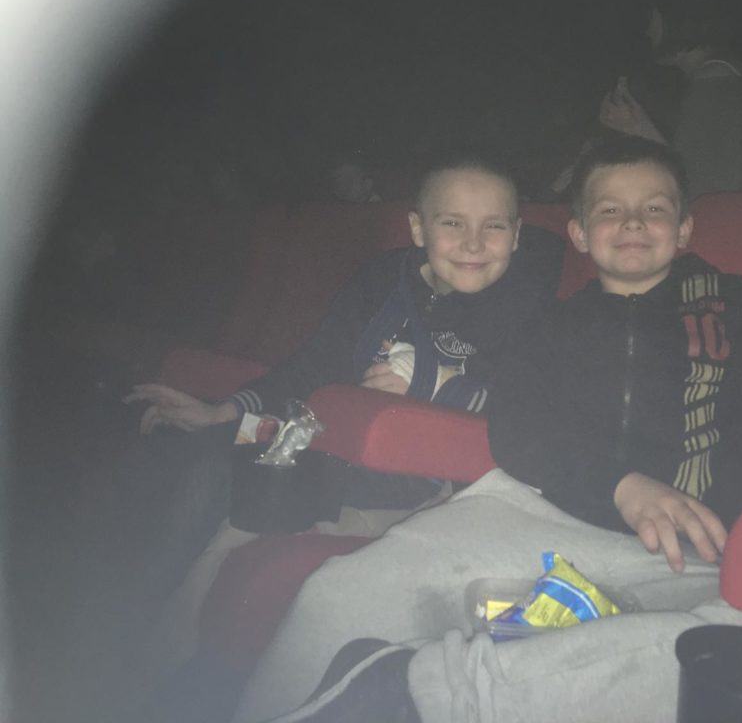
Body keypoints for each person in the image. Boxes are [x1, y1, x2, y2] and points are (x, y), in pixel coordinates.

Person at [228, 136, 742, 723]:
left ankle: (411, 689)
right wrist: (620, 485)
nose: (633, 222)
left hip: (694, 549)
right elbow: (518, 424)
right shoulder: (557, 324)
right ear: (580, 234)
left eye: (654, 208)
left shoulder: (732, 306)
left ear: (685, 228)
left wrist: (741, 534)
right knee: (338, 595)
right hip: (545, 517)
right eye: (610, 209)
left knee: (723, 652)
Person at [108, 154, 565, 637]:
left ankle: (146, 637)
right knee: (177, 453)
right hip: (323, 447)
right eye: (452, 223)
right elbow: (315, 363)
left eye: (493, 226)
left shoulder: (528, 306)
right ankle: (128, 627)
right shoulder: (381, 280)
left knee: (212, 480)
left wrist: (432, 384)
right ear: (418, 228)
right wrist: (222, 411)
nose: (473, 242)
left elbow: (526, 409)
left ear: (516, 234)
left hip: (410, 480)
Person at [599, 0, 742, 199]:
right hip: (728, 212)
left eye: (653, 20)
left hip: (726, 216)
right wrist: (638, 126)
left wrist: (640, 128)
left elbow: (701, 185)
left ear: (678, 23)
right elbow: (697, 168)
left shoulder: (714, 84)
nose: (648, 31)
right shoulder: (720, 76)